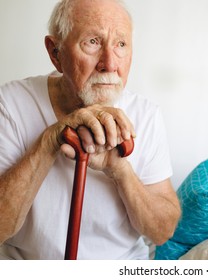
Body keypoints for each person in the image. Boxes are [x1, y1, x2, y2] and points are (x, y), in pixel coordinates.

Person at [0, 0, 181, 260]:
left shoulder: (146, 115)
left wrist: (120, 170)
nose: (109, 63)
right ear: (55, 52)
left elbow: (162, 232)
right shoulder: (10, 103)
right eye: (93, 42)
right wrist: (50, 140)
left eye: (120, 45)